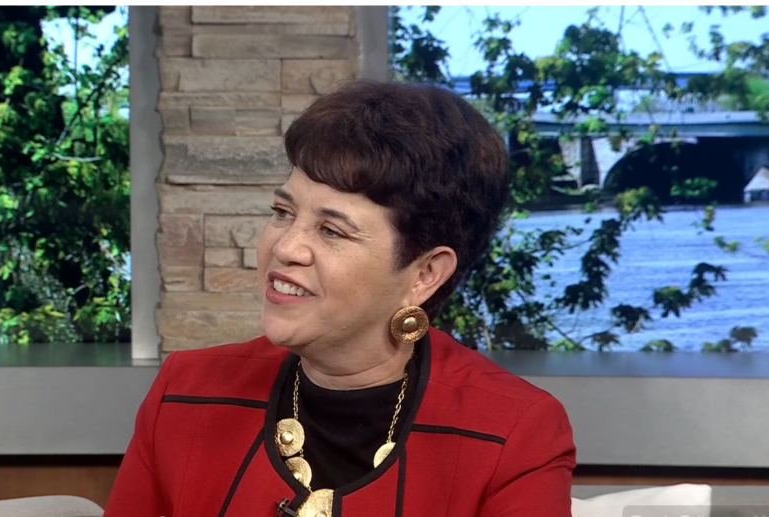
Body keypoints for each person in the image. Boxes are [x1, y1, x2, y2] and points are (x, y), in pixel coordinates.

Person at [104, 80, 575, 517]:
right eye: (282, 212)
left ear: (425, 273)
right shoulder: (185, 394)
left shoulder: (514, 432)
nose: (285, 247)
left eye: (332, 230)